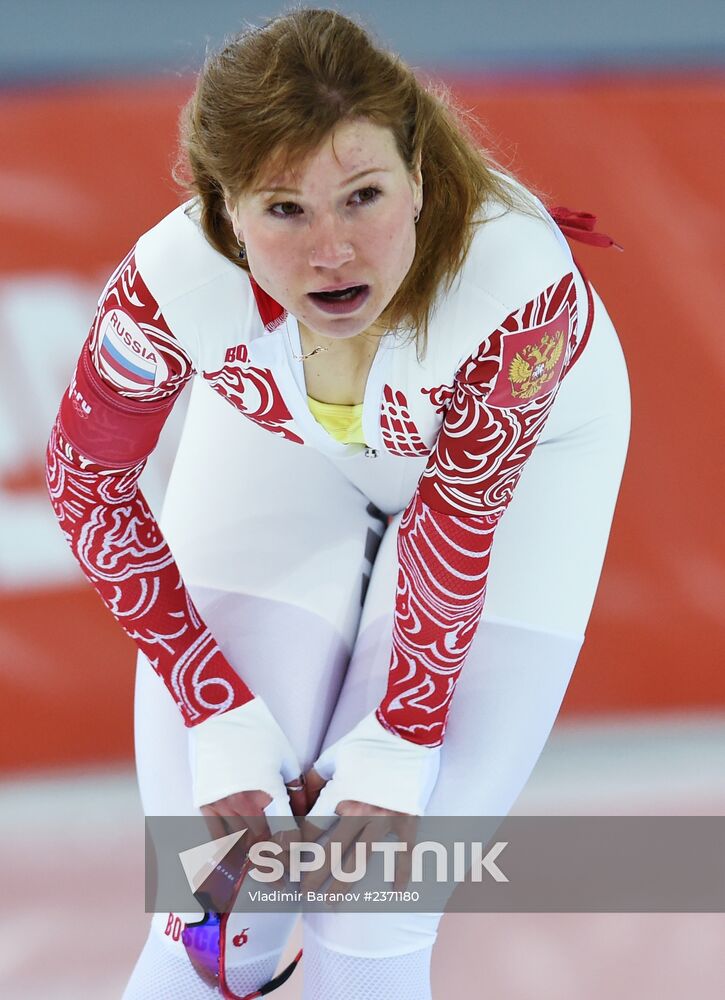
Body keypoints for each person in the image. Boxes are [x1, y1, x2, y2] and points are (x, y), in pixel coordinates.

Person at [45, 7, 630, 999]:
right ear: (221, 210)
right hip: (282, 451)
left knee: (372, 905)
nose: (332, 253)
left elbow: (458, 521)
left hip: (526, 480)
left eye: (361, 196)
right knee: (216, 901)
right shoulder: (173, 284)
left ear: (418, 172)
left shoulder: (511, 281)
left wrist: (403, 735)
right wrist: (213, 701)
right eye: (283, 210)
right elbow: (87, 478)